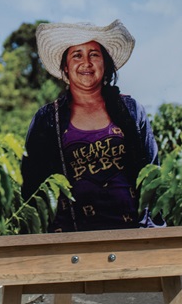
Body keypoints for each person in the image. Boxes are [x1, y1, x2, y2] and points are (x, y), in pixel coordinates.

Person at [21, 21, 158, 232]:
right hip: (71, 236)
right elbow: (32, 185)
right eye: (77, 55)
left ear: (105, 63)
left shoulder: (130, 110)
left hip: (132, 233)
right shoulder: (48, 118)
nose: (86, 62)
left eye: (94, 54)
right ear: (66, 67)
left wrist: (151, 230)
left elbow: (151, 173)